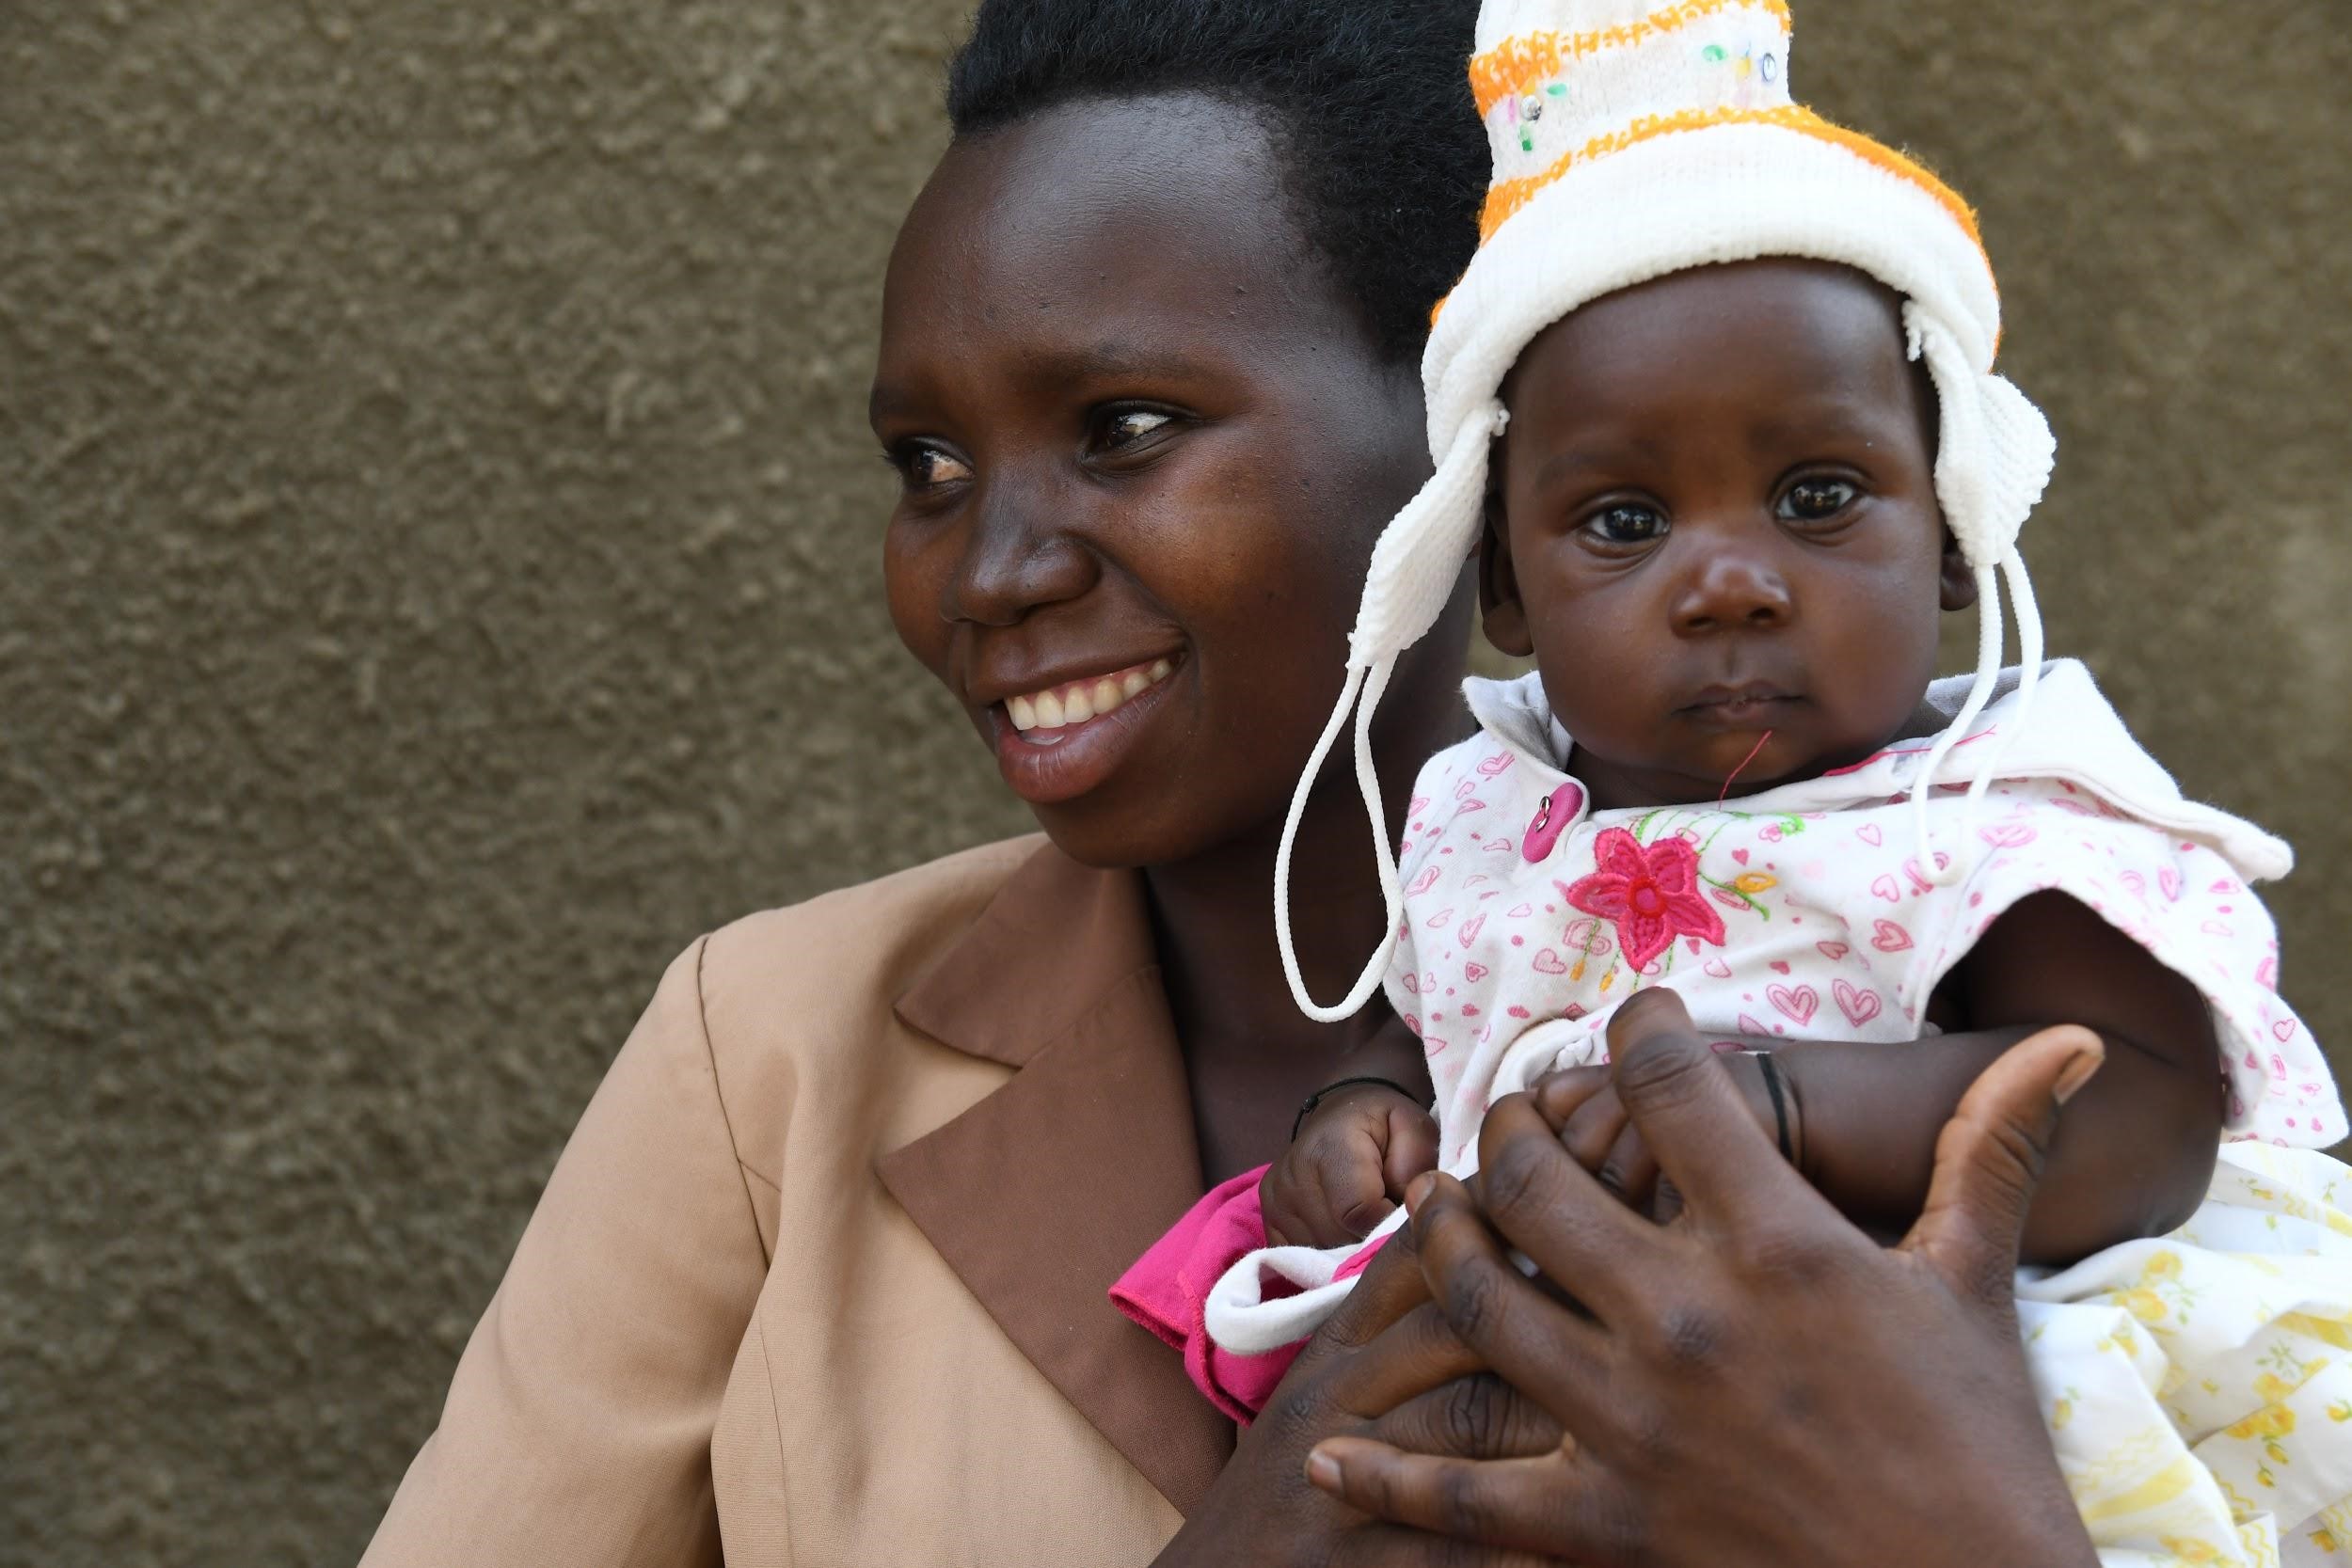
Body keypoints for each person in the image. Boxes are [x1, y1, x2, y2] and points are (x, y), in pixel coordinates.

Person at [356, 2, 2196, 1564]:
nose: (988, 568)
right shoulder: (767, 1066)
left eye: (1125, 429)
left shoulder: (1954, 921)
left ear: (1465, 438)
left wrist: (1951, 1524)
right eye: (925, 463)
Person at [1120, 3, 2352, 1561]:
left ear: (1956, 536)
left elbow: (2144, 1111)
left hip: (1946, 1433)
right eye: (1625, 522)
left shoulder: (1992, 816)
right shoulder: (1491, 815)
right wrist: (1364, 1110)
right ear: (1504, 590)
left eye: (1817, 496)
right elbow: (1437, 1010)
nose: (1729, 585)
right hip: (1590, 1426)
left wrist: (1789, 1107)